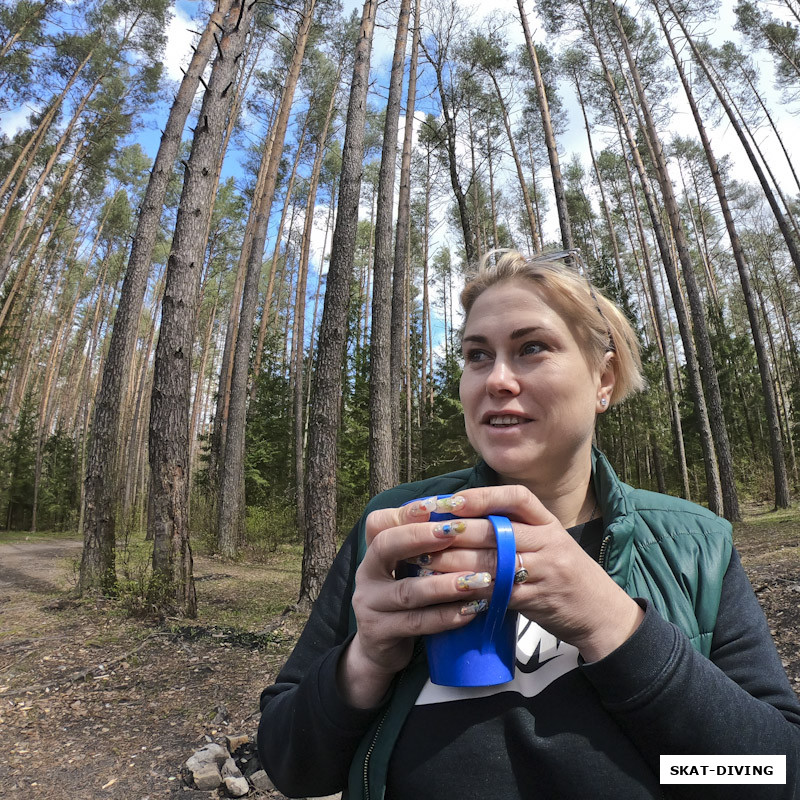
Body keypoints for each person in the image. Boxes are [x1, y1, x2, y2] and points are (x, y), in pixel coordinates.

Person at [257, 250, 800, 799]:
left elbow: (772, 775)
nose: (496, 380)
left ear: (604, 378)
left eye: (531, 348)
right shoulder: (399, 531)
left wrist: (611, 623)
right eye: (476, 355)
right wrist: (365, 661)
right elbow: (294, 769)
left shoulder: (693, 544)